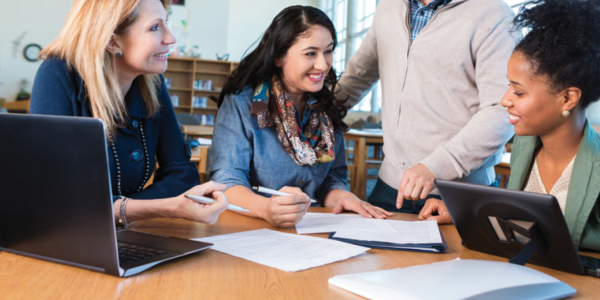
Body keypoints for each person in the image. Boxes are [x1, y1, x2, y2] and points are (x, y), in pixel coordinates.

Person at [30, 0, 227, 226]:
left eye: (166, 23)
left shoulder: (152, 83)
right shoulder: (57, 75)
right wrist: (159, 207)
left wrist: (122, 209)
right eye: (155, 27)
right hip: (63, 238)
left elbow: (183, 175)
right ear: (112, 41)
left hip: (120, 236)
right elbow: (57, 197)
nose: (170, 38)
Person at [209, 6, 392, 228]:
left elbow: (332, 180)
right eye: (310, 53)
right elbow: (226, 181)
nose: (323, 64)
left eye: (328, 51)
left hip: (313, 230)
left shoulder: (327, 107)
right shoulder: (243, 103)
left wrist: (344, 198)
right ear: (278, 56)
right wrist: (266, 208)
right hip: (252, 228)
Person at [336, 0, 519, 222]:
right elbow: (357, 76)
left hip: (458, 194)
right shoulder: (389, 6)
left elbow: (502, 108)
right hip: (390, 187)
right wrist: (304, 113)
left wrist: (437, 166)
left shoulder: (493, 13)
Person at [501, 0, 600, 252]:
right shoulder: (524, 146)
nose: (505, 100)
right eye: (509, 87)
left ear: (567, 98)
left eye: (519, 92)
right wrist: (471, 214)